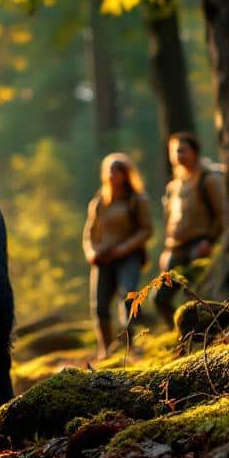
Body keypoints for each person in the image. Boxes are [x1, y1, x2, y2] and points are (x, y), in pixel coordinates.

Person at [82, 153, 153, 359]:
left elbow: (146, 230)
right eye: (110, 171)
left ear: (126, 174)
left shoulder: (137, 200)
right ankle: (105, 349)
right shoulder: (99, 202)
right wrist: (92, 253)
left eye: (118, 170)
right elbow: (89, 233)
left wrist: (123, 249)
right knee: (99, 305)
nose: (113, 175)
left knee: (128, 298)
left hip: (128, 257)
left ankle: (132, 346)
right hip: (101, 260)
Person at [153, 132, 226, 327]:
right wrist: (166, 249)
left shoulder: (208, 179)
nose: (178, 155)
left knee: (194, 296)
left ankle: (202, 336)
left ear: (195, 152)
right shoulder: (173, 186)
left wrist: (209, 241)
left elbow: (222, 214)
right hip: (175, 250)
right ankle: (176, 335)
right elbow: (170, 221)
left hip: (199, 245)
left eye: (182, 150)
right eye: (174, 151)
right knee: (160, 298)